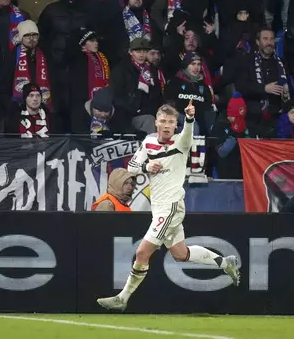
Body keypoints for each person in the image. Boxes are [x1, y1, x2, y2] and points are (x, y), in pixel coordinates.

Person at [96, 101, 241, 311]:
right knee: (180, 254)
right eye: (163, 121)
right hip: (160, 207)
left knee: (141, 254)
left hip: (171, 207)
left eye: (171, 122)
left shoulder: (181, 143)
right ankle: (224, 262)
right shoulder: (149, 142)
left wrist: (190, 118)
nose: (166, 126)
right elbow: (132, 166)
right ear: (156, 123)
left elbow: (188, 133)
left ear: (175, 125)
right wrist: (147, 166)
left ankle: (123, 297)